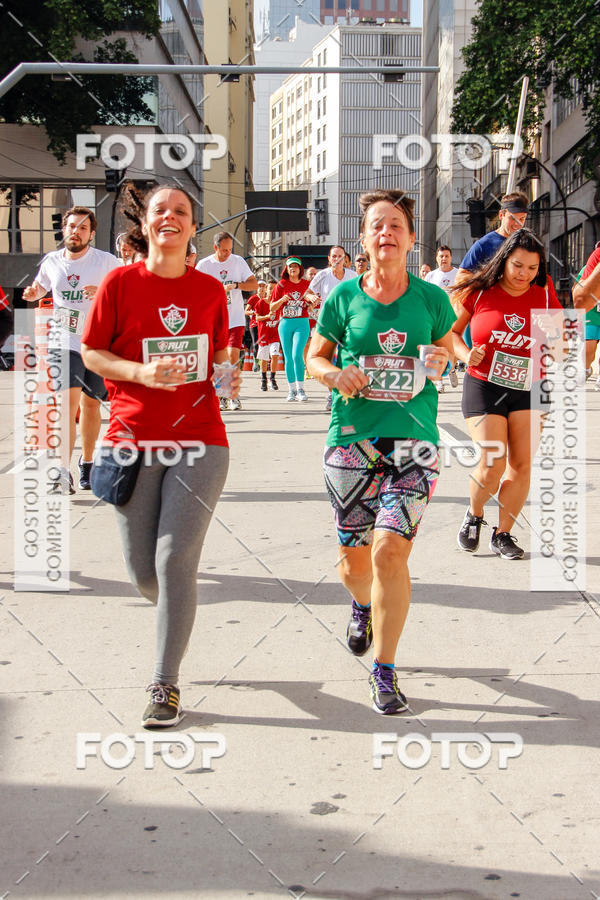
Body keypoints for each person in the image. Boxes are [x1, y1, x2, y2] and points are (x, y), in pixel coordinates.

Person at [81, 184, 240, 728]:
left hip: (201, 438)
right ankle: (176, 608)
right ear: (145, 224)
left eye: (181, 211)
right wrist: (141, 373)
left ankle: (164, 682)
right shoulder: (119, 283)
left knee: (176, 561)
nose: (170, 217)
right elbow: (92, 352)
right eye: (160, 210)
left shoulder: (209, 289)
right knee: (144, 574)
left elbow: (220, 350)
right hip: (132, 438)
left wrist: (227, 372)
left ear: (192, 227)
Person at [307, 189, 455, 714]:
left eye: (396, 225)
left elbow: (448, 349)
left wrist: (444, 360)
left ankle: (385, 669)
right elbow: (315, 357)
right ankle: (360, 604)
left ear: (412, 239)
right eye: (377, 225)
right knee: (355, 564)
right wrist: (334, 374)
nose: (386, 232)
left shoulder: (432, 299)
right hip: (351, 441)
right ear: (363, 239)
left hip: (416, 444)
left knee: (390, 550)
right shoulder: (343, 297)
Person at [451, 228, 563, 560]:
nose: (524, 274)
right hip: (484, 384)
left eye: (532, 268)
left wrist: (555, 344)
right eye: (517, 265)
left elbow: (558, 343)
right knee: (492, 463)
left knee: (522, 464)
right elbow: (451, 333)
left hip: (531, 386)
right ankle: (474, 513)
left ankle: (503, 533)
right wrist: (465, 354)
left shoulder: (544, 293)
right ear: (503, 261)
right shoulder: (480, 291)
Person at [23, 207, 121, 493]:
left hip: (97, 343)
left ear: (91, 234)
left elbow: (126, 291)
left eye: (82, 228)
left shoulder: (106, 261)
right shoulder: (52, 261)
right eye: (71, 226)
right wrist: (33, 292)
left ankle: (87, 462)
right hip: (63, 340)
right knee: (67, 403)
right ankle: (62, 471)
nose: (75, 232)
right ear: (63, 229)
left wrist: (102, 291)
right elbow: (40, 286)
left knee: (91, 405)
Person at [196, 231, 258, 410]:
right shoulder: (204, 265)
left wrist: (236, 285)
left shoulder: (238, 261)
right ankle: (223, 393)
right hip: (213, 320)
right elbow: (194, 289)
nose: (228, 253)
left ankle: (232, 395)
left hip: (235, 317)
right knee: (218, 360)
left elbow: (253, 283)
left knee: (232, 356)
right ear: (215, 247)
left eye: (230, 249)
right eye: (224, 250)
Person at [305, 246, 357, 411]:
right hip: (327, 322)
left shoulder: (352, 276)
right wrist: (312, 297)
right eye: (334, 256)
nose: (337, 259)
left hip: (348, 322)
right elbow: (307, 293)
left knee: (347, 357)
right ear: (329, 259)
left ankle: (347, 392)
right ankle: (331, 395)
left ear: (345, 259)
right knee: (329, 360)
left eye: (340, 256)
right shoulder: (322, 275)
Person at [270, 257, 311, 401]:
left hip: (302, 323)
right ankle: (291, 390)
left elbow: (312, 304)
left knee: (297, 355)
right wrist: (282, 300)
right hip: (285, 323)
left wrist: (311, 303)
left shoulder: (306, 284)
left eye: (295, 266)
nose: (293, 268)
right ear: (286, 269)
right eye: (290, 266)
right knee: (288, 357)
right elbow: (272, 307)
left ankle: (300, 389)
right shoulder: (281, 285)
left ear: (300, 269)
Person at [426, 246, 460, 391]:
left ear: (451, 258)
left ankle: (452, 368)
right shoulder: (431, 276)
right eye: (441, 256)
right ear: (436, 258)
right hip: (436, 317)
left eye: (446, 256)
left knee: (453, 346)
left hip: (454, 315)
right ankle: (439, 381)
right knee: (437, 346)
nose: (444, 259)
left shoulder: (458, 274)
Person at [573, 243, 600, 389]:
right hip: (592, 312)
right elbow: (578, 293)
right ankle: (586, 368)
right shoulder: (587, 269)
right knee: (589, 349)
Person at [253, 285, 281, 391]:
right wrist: (267, 317)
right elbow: (257, 318)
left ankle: (272, 378)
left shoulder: (278, 303)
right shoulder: (261, 302)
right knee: (264, 359)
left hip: (275, 334)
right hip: (264, 335)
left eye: (274, 288)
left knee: (274, 355)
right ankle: (264, 379)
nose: (272, 290)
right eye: (270, 288)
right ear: (266, 290)